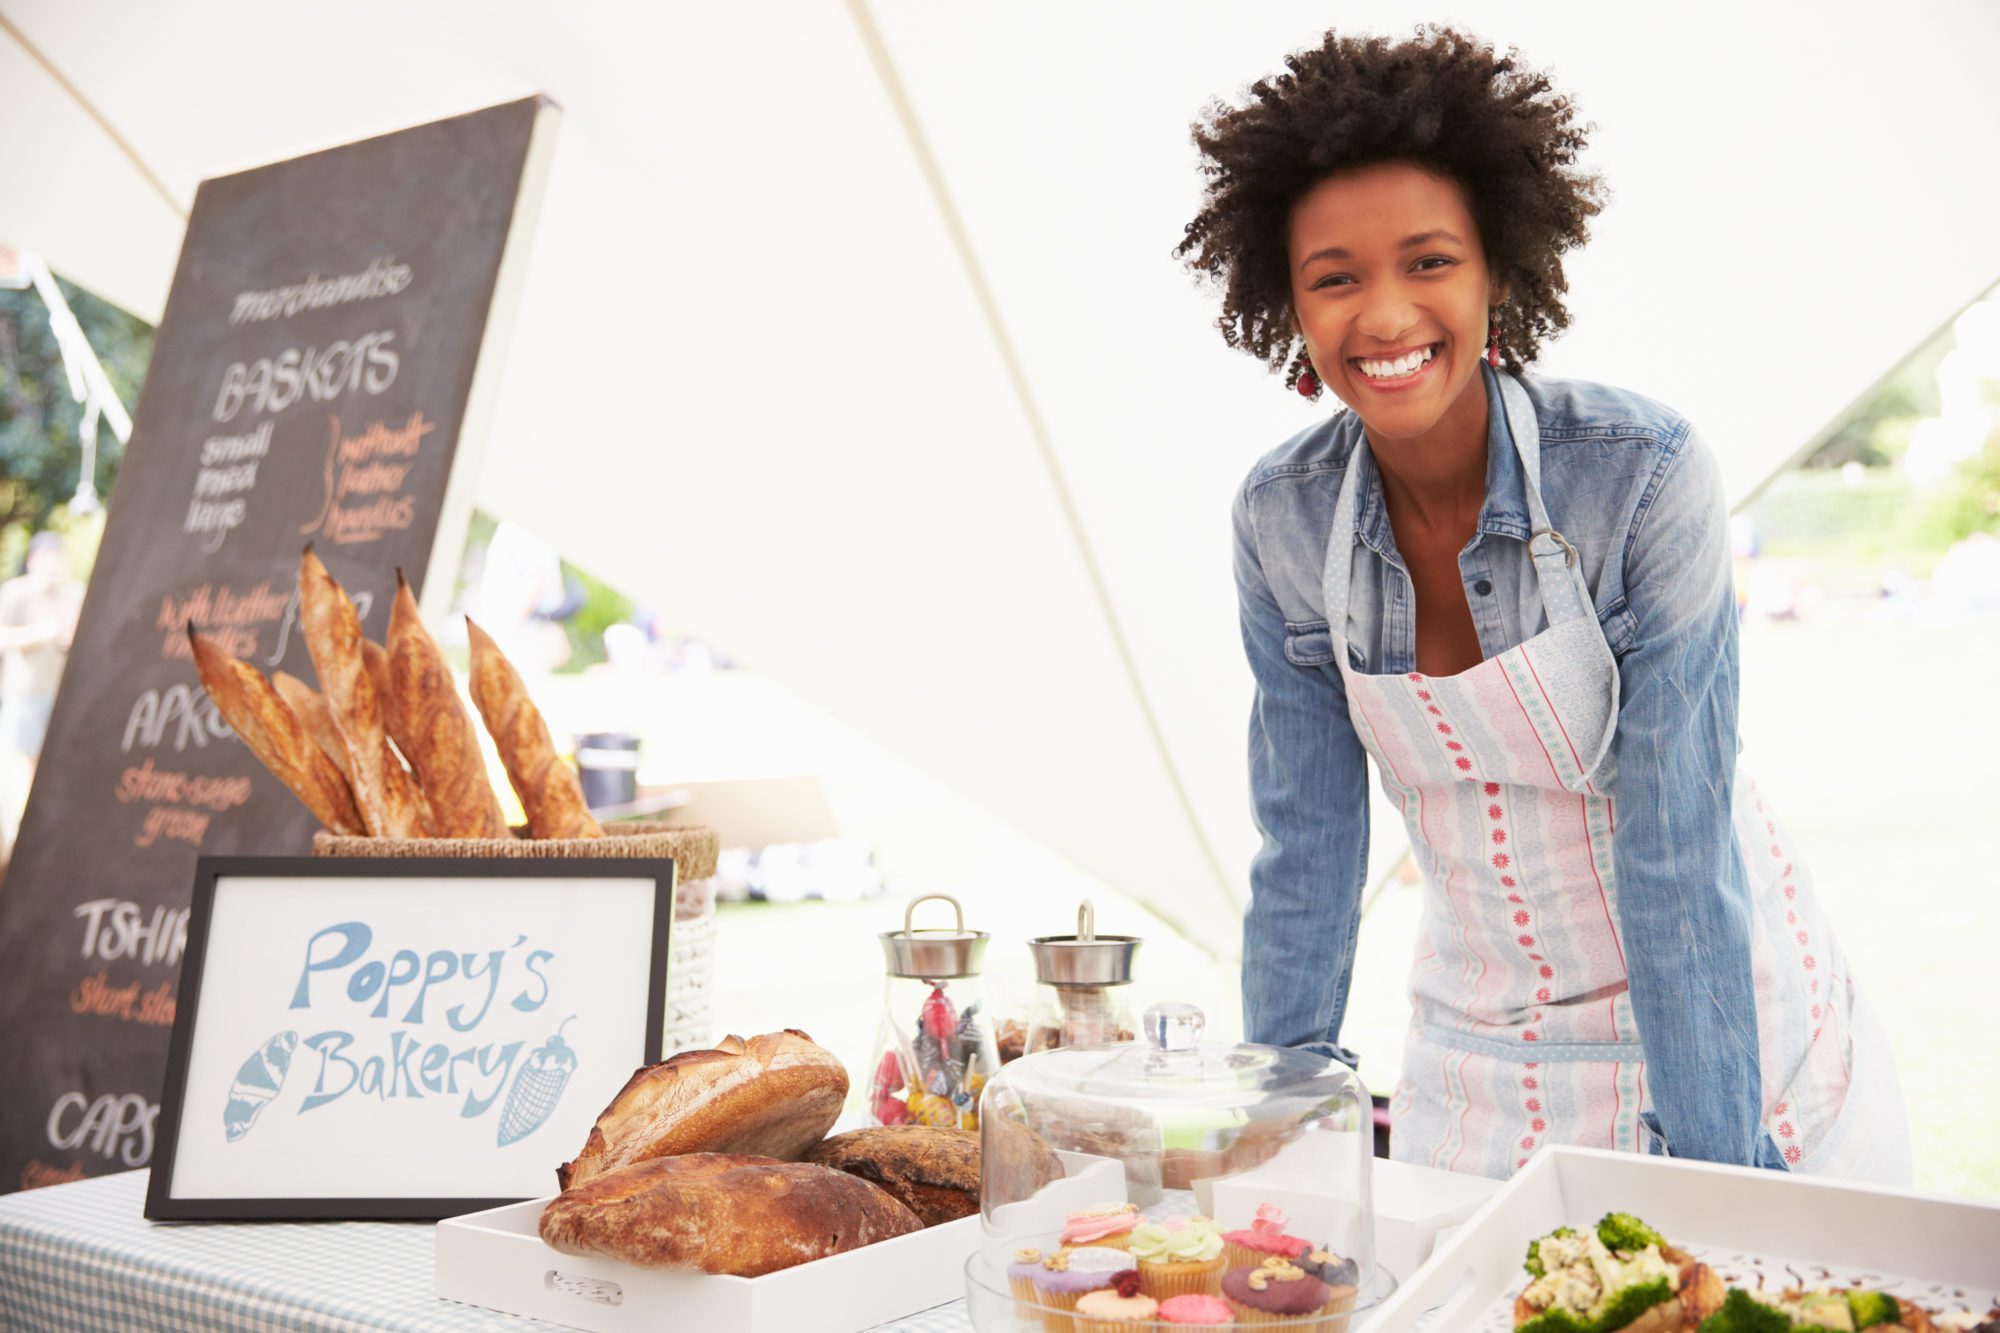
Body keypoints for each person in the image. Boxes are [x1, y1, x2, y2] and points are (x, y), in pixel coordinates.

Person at [1183, 26, 1907, 1182]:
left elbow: (1675, 841)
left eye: (1427, 262)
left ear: (1496, 274)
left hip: (1713, 1023)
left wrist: (1714, 1172)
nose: (1382, 315)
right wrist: (1279, 1119)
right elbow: (1308, 846)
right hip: (1477, 1048)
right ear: (1287, 303)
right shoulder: (1279, 518)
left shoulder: (1640, 474)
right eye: (1334, 276)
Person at [0, 531, 84, 850]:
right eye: (47, 557)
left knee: (58, 763)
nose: (54, 564)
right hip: (25, 693)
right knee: (23, 766)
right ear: (33, 561)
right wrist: (40, 634)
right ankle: (26, 831)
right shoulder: (15, 594)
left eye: (58, 557)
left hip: (64, 693)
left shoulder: (75, 593)